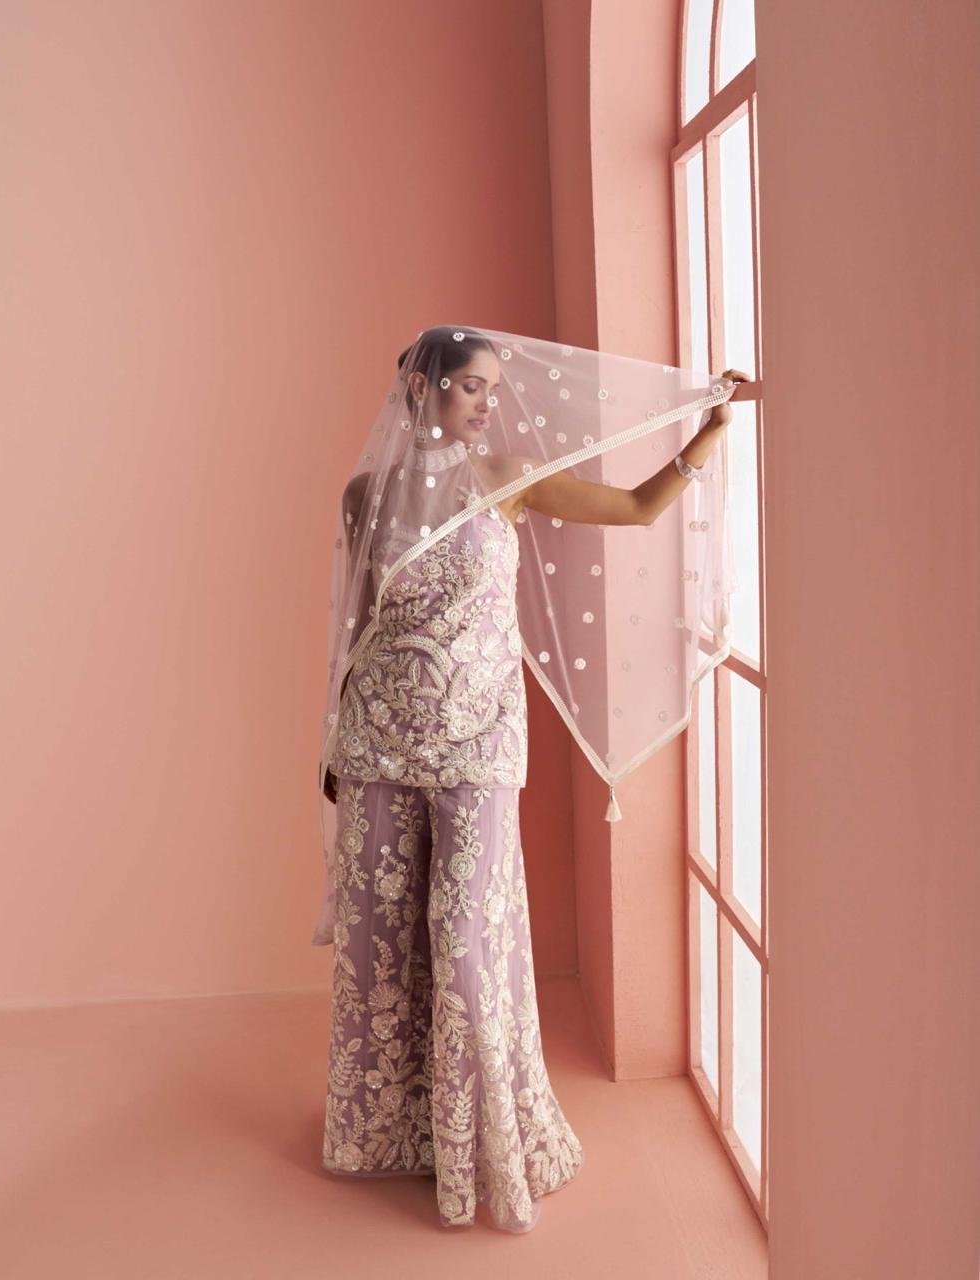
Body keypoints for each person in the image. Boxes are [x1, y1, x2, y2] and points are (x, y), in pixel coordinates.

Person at [317, 325, 748, 1231]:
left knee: (466, 945)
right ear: (423, 387)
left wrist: (707, 435)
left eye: (492, 389)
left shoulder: (501, 476)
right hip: (377, 744)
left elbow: (633, 509)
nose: (487, 404)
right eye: (472, 387)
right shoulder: (365, 495)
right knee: (382, 947)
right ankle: (397, 1136)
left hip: (477, 741)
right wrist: (331, 742)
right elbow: (353, 625)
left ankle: (488, 1146)